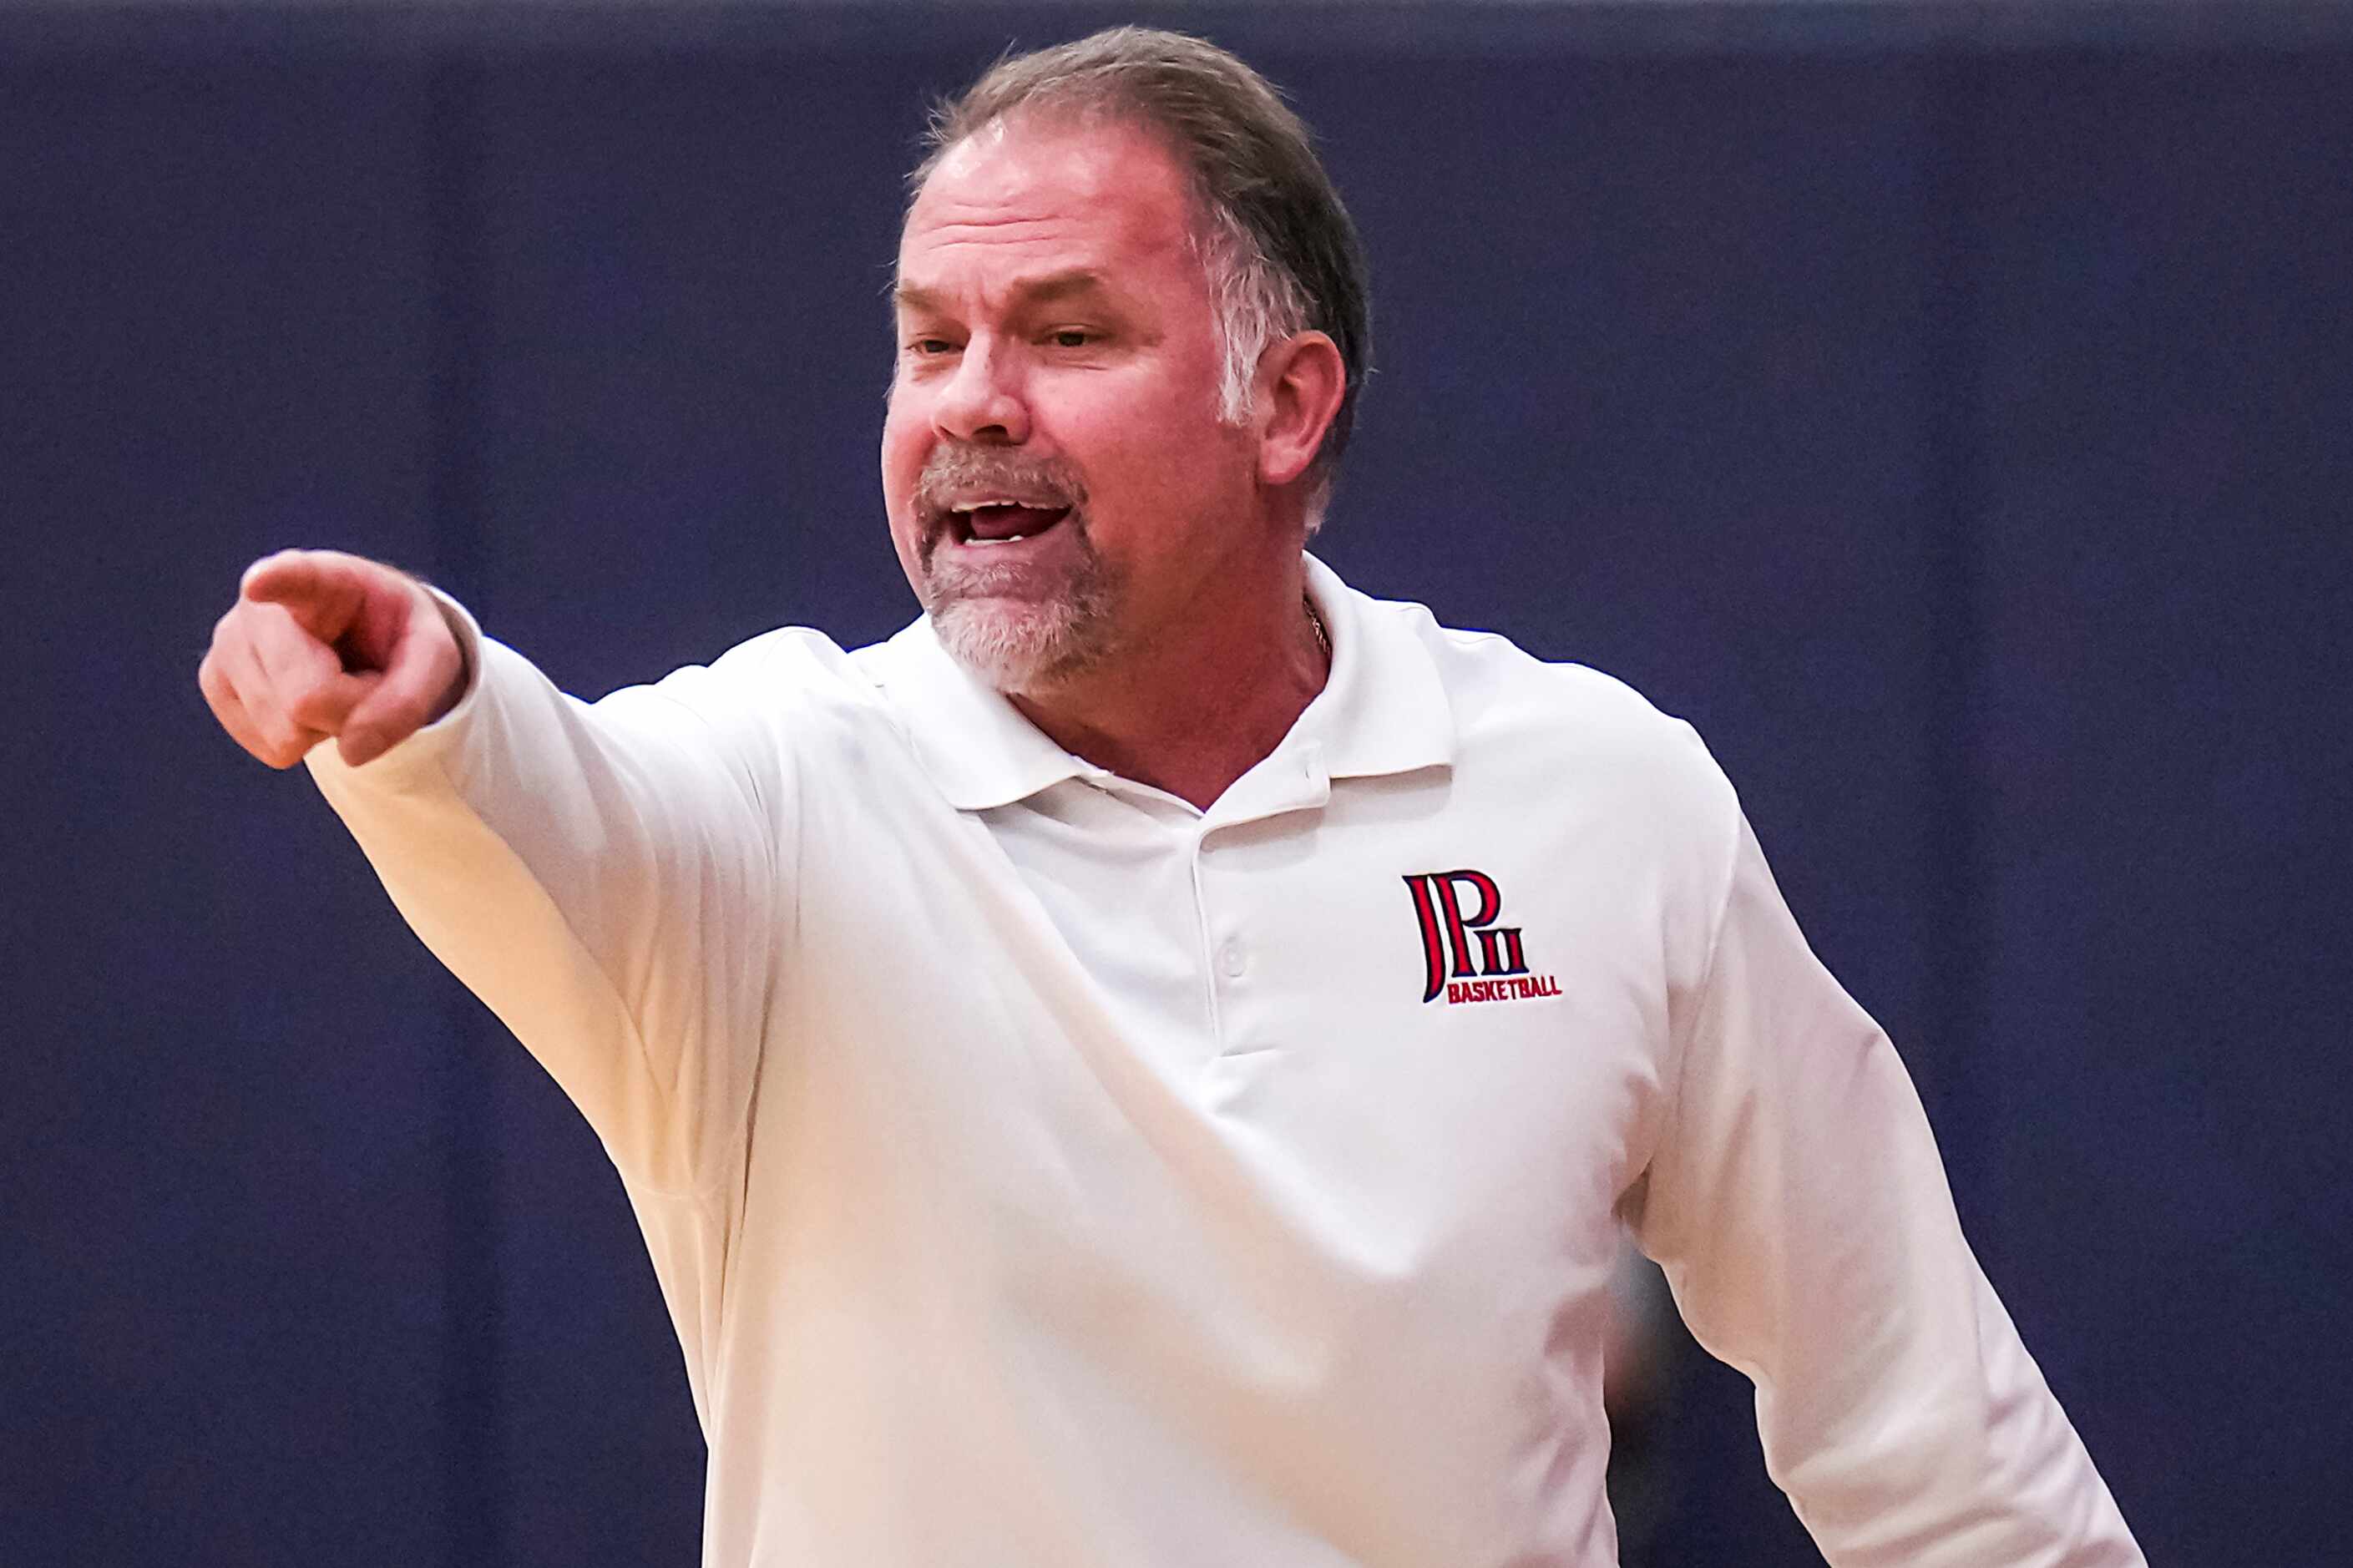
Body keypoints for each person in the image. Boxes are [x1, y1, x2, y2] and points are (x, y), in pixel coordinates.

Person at [198, 27, 2143, 1568]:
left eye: (1063, 334)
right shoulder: (778, 796)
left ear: (1282, 403)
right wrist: (422, 689)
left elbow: (1929, 1441)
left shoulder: (1598, 800)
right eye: (925, 342)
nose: (969, 401)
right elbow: (553, 796)